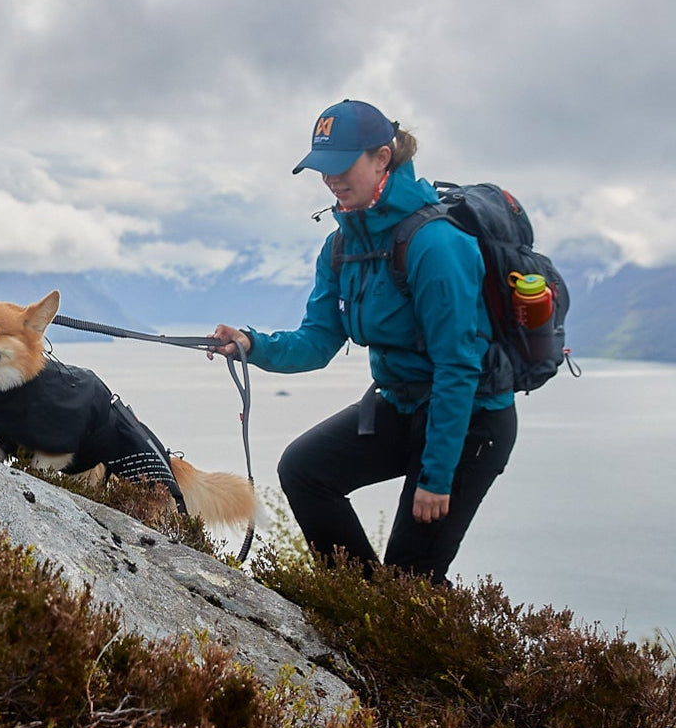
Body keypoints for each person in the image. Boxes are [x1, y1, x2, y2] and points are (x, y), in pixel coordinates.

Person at [210, 98, 517, 584]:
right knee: (305, 469)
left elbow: (459, 367)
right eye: (322, 168)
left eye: (340, 165)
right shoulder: (341, 245)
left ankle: (390, 626)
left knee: (411, 581)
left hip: (470, 420)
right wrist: (252, 344)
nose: (330, 179)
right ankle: (360, 607)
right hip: (400, 403)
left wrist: (436, 477)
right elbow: (317, 340)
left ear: (382, 158)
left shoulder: (436, 245)